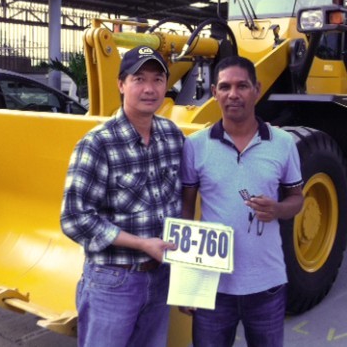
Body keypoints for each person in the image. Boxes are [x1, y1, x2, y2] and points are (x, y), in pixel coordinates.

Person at [61, 45, 184, 347]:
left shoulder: (172, 136)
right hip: (113, 282)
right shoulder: (97, 144)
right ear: (121, 84)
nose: (149, 89)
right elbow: (74, 219)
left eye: (157, 80)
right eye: (139, 79)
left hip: (161, 277)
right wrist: (142, 244)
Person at [180, 55, 304, 347]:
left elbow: (297, 198)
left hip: (267, 285)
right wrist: (187, 282)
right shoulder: (195, 146)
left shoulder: (283, 143)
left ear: (257, 90)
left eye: (242, 86)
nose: (233, 94)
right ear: (214, 93)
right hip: (212, 286)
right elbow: (186, 211)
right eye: (225, 87)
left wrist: (277, 209)